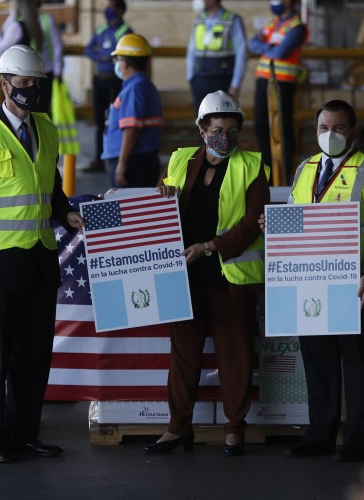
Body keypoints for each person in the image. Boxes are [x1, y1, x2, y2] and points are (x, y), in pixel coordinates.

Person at [0, 44, 82, 464]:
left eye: (36, 82)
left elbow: (50, 187)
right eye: (23, 83)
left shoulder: (47, 129)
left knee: (33, 354)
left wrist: (66, 213)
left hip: (41, 259)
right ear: (4, 84)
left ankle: (25, 433)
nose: (31, 89)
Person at [146, 91, 268, 457]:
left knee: (235, 356)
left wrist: (211, 246)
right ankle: (177, 428)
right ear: (202, 130)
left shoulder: (252, 166)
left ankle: (234, 428)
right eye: (217, 130)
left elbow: (254, 222)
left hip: (229, 277)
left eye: (232, 131)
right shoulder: (179, 160)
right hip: (184, 276)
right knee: (184, 355)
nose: (225, 137)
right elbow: (160, 202)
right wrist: (163, 193)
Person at [280, 99, 364, 463]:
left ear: (354, 132)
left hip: (357, 279)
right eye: (323, 128)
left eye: (338, 128)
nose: (329, 134)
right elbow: (295, 217)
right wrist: (274, 226)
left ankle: (359, 440)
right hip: (311, 278)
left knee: (355, 358)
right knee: (317, 356)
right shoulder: (305, 169)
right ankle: (320, 434)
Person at [249, 0, 307, 177]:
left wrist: (266, 47)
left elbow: (281, 52)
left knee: (282, 128)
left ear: (288, 0)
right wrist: (270, 48)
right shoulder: (271, 22)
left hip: (283, 83)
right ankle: (267, 172)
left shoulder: (297, 27)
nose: (273, 2)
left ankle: (285, 173)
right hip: (263, 80)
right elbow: (252, 43)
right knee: (260, 126)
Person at [101, 33, 162, 188]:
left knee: (127, 203)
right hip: (140, 160)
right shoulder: (142, 86)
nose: (116, 63)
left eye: (117, 59)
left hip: (133, 163)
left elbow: (131, 129)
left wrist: (122, 163)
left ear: (125, 63)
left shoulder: (135, 89)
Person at [82, 0, 131, 173]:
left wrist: (109, 58)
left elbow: (124, 55)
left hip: (115, 81)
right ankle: (98, 158)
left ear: (120, 10)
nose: (107, 10)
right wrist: (101, 57)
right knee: (99, 121)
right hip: (100, 80)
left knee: (115, 120)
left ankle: (115, 157)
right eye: (107, 7)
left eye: (111, 7)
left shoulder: (125, 31)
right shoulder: (101, 29)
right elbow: (88, 49)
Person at [186, 0, 248, 110]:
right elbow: (191, 49)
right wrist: (191, 77)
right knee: (201, 119)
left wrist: (235, 84)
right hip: (199, 79)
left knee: (222, 118)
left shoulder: (233, 20)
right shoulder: (199, 20)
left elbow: (242, 53)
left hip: (223, 80)